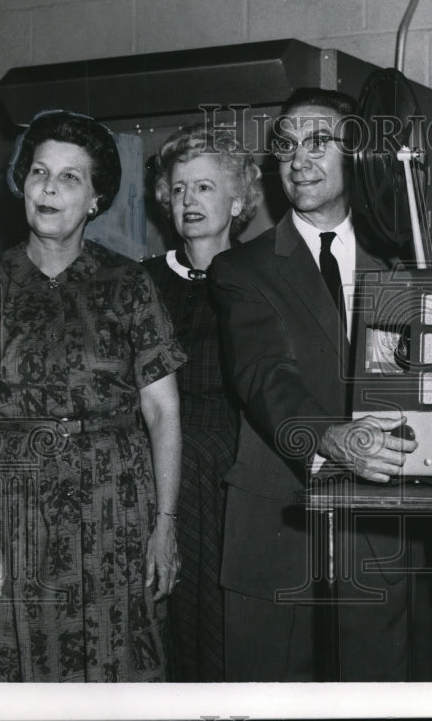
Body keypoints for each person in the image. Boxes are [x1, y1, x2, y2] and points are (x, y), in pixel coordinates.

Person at [0, 109, 186, 681]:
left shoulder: (129, 285)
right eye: (39, 172)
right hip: (9, 511)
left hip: (115, 512)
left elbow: (163, 412)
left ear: (96, 199)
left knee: (114, 672)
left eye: (70, 177)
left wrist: (165, 522)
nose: (49, 187)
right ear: (23, 183)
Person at [208, 88, 418, 681]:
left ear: (355, 153)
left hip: (380, 529)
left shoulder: (402, 263)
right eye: (287, 146)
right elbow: (264, 377)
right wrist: (330, 437)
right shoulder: (241, 269)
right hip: (278, 527)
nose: (298, 160)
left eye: (318, 142)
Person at [144, 124, 263, 681]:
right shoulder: (140, 282)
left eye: (206, 188)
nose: (188, 200)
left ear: (238, 201)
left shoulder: (263, 279)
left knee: (222, 633)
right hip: (153, 472)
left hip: (230, 474)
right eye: (179, 188)